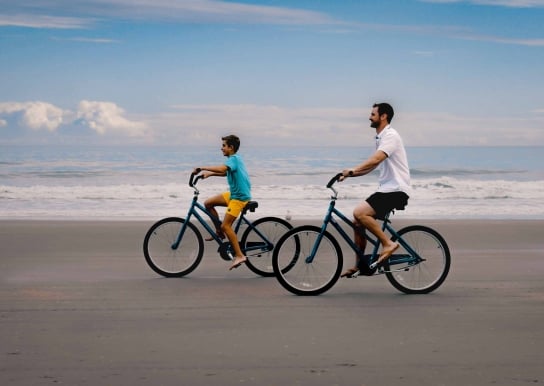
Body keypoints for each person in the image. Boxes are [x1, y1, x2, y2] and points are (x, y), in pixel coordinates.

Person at [339, 103, 411, 277]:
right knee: (357, 222)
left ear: (383, 116)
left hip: (396, 190)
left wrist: (353, 169)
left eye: (373, 114)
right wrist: (351, 174)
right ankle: (360, 265)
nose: (369, 117)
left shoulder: (391, 135)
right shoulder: (380, 138)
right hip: (387, 189)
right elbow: (372, 166)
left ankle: (388, 244)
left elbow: (376, 159)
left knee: (360, 212)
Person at [193, 134, 252, 271]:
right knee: (208, 203)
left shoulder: (234, 159)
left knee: (227, 226)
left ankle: (239, 255)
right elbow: (226, 172)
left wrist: (203, 168)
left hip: (239, 198)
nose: (221, 148)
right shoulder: (234, 160)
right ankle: (219, 232)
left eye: (224, 146)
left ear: (231, 148)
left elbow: (222, 169)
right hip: (234, 194)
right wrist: (210, 174)